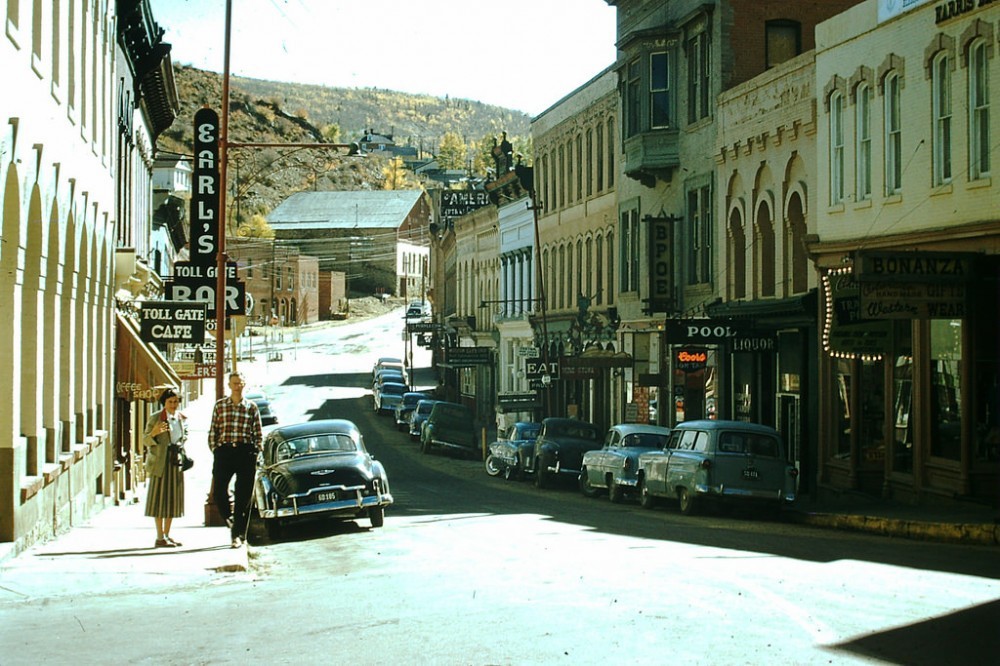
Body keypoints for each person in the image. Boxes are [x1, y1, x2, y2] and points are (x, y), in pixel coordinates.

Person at [208, 371, 263, 548]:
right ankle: (229, 519)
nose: (237, 386)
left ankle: (238, 534)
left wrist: (255, 451)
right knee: (219, 492)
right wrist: (216, 449)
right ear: (229, 385)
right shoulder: (220, 406)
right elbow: (213, 430)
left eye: (240, 383)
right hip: (225, 452)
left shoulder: (251, 407)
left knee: (243, 496)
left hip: (245, 452)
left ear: (244, 385)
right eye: (234, 383)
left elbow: (258, 433)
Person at [143, 387, 188, 548]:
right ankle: (159, 536)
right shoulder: (156, 418)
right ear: (164, 402)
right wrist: (154, 433)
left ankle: (167, 535)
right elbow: (144, 440)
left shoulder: (181, 418)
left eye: (176, 401)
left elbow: (184, 436)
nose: (173, 404)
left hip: (175, 462)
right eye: (170, 402)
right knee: (159, 500)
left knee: (172, 501)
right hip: (160, 464)